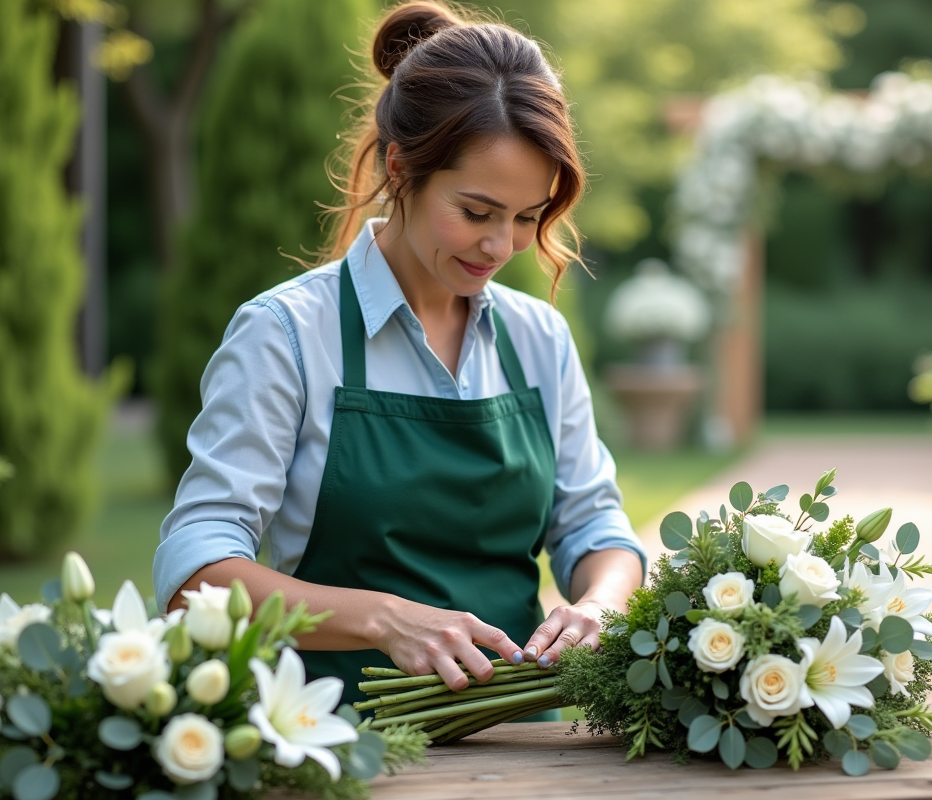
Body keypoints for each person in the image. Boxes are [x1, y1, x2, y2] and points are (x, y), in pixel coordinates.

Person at [153, 0, 646, 709]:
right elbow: (194, 570)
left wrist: (600, 604)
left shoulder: (540, 339)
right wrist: (382, 619)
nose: (500, 247)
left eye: (527, 218)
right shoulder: (286, 334)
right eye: (476, 212)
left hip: (531, 742)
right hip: (336, 737)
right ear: (400, 168)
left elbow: (593, 526)